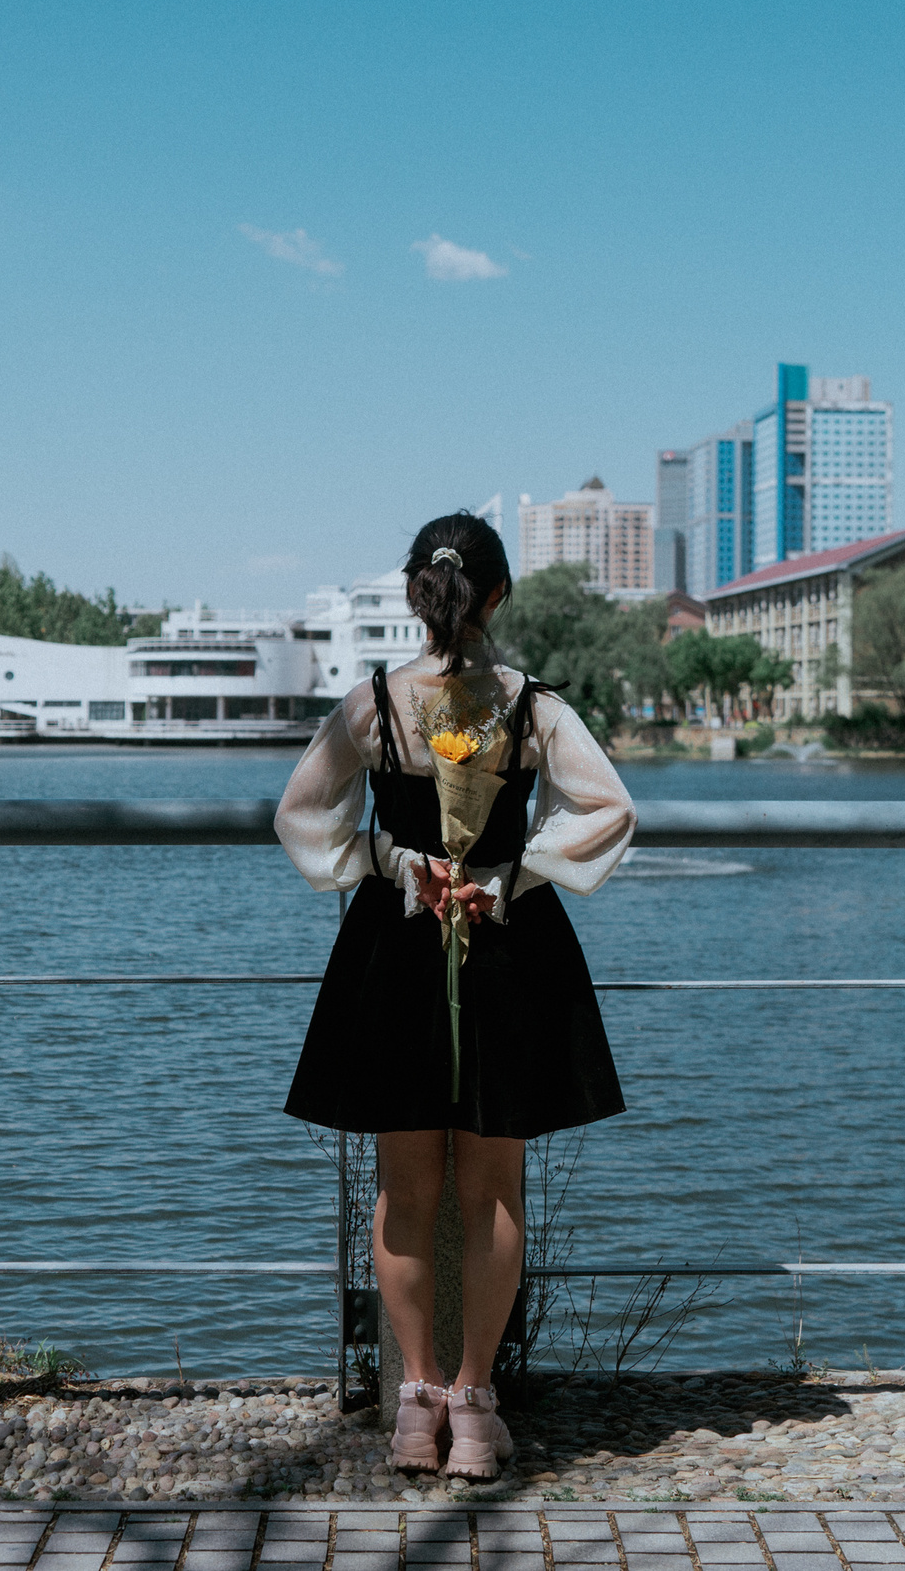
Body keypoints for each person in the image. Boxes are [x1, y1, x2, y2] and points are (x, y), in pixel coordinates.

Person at [275, 510, 636, 1481]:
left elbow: (300, 815)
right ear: (498, 594)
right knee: (490, 1189)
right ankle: (474, 1408)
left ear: (412, 593)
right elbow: (607, 806)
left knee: (405, 1190)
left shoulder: (376, 705)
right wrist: (513, 876)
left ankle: (414, 1406)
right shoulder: (530, 706)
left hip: (392, 950)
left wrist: (391, 859)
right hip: (507, 946)